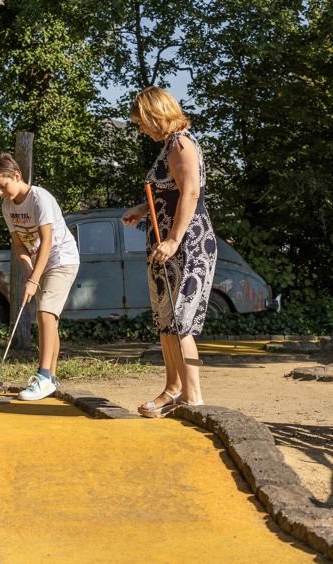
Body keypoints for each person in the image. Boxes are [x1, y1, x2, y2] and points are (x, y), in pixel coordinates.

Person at [122, 86, 217, 418]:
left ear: (155, 115)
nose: (141, 129)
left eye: (142, 123)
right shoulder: (168, 147)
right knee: (166, 322)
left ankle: (193, 397)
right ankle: (172, 390)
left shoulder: (181, 144)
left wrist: (174, 240)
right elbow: (168, 193)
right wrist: (142, 210)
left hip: (188, 244)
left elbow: (190, 194)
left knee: (182, 322)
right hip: (164, 246)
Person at [0, 153, 80, 401]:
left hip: (61, 259)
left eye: (2, 186)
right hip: (38, 265)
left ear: (16, 176)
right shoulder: (7, 207)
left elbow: (47, 242)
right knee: (49, 320)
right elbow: (20, 245)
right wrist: (29, 274)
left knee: (46, 313)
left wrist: (34, 279)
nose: (0, 193)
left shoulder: (40, 199)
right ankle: (51, 379)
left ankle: (44, 376)